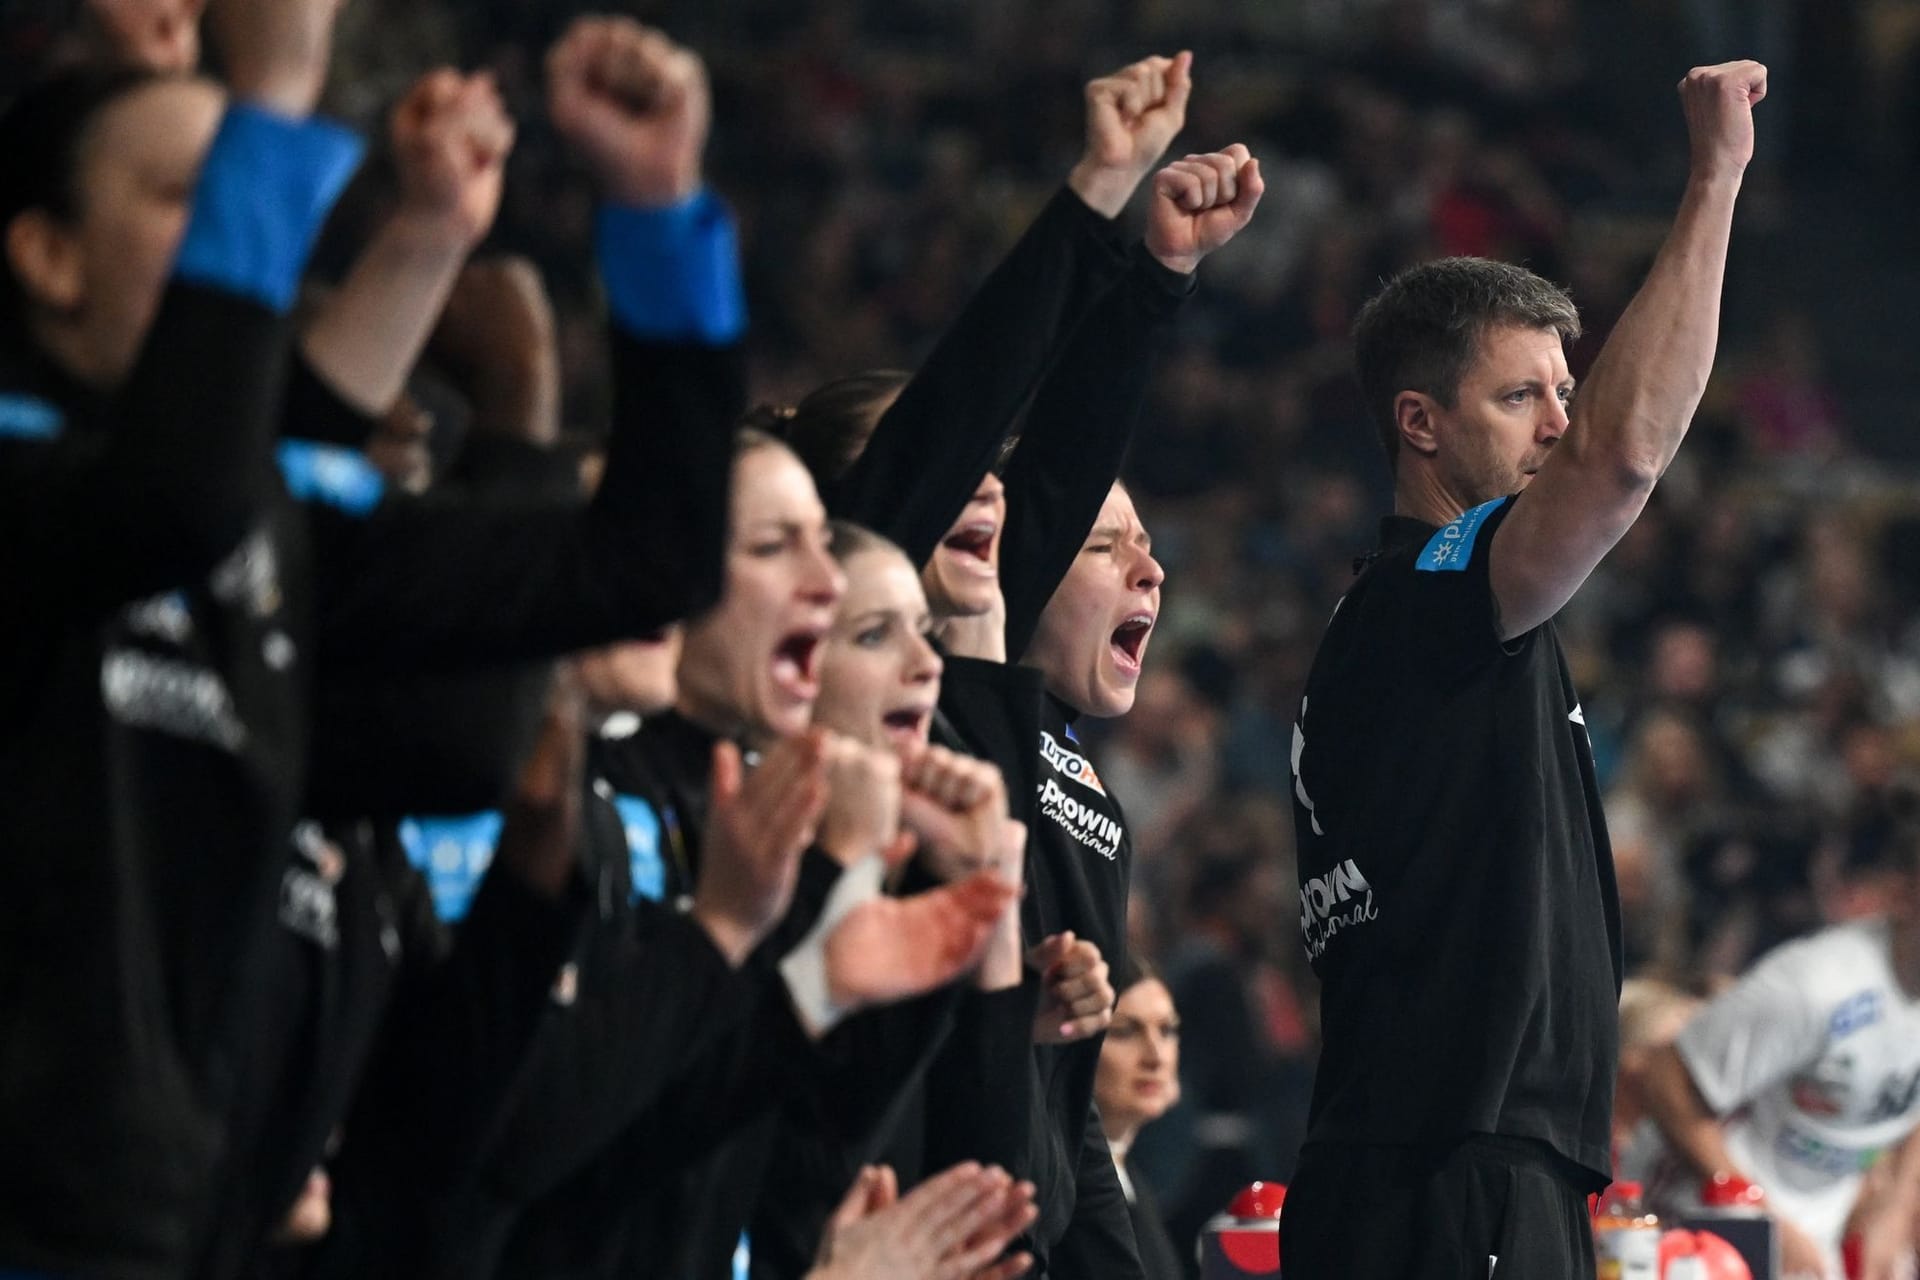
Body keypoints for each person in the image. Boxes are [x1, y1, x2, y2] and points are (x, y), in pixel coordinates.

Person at [1282, 60, 1768, 1279]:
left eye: (1564, 388)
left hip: (1459, 1168)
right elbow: (1619, 460)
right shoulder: (1430, 590)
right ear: (1420, 422)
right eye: (1523, 394)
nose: (1559, 419)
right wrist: (1715, 178)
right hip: (1447, 1176)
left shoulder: (1434, 612)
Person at [1624, 831, 1920, 1280]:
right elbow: (1668, 1076)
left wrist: (1895, 1208)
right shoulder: (1817, 986)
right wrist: (1760, 1217)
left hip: (1814, 1234)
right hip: (1699, 1224)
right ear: (1903, 896)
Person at [1096, 967, 1187, 1280]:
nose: (1156, 1056)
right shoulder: (1063, 1194)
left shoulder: (1134, 1183)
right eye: (1124, 1031)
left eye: (1167, 1030)